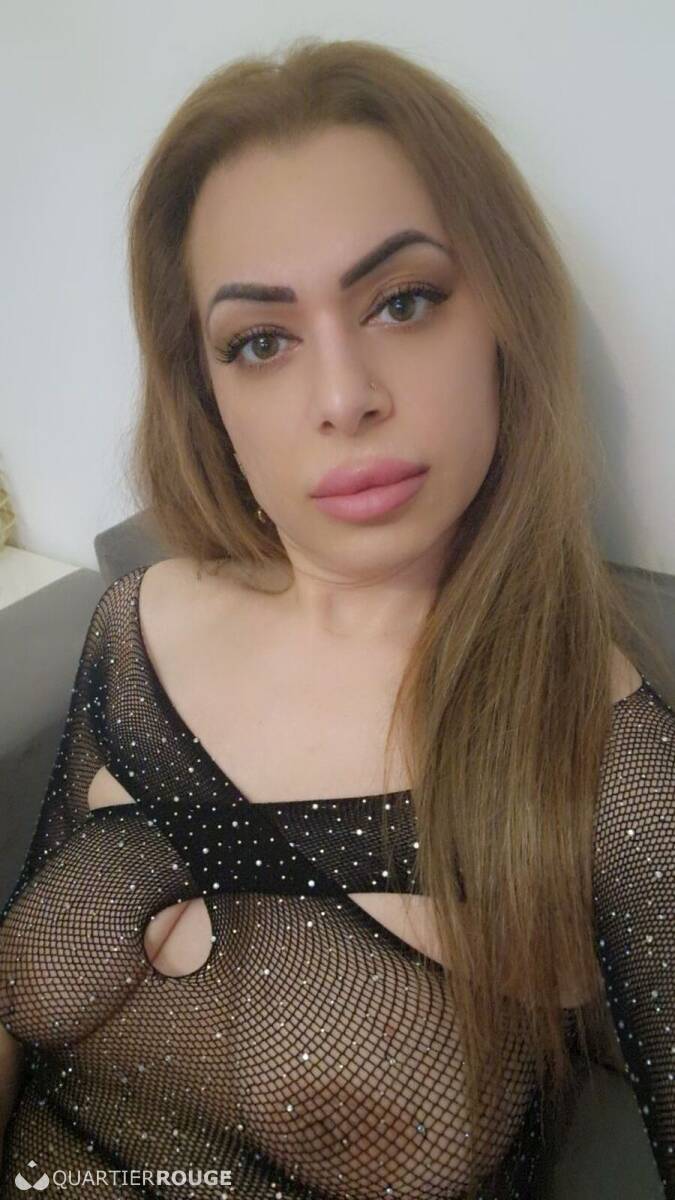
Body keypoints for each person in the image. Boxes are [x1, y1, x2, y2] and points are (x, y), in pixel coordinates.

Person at [1, 36, 673, 1200]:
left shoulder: (605, 762)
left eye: (404, 302)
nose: (344, 395)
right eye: (261, 341)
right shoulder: (133, 624)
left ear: (504, 320)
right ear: (206, 391)